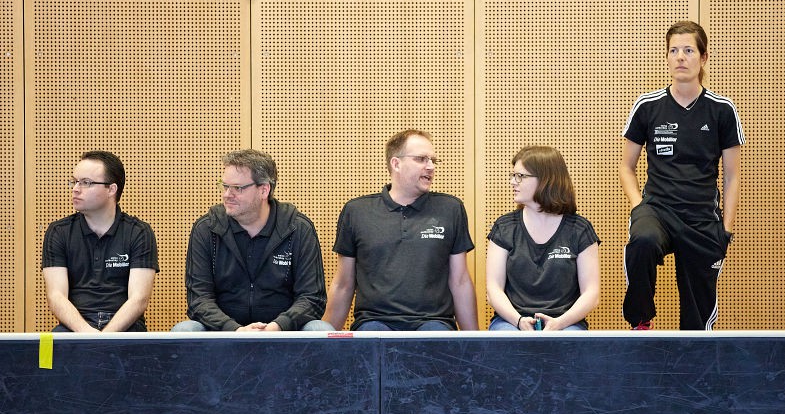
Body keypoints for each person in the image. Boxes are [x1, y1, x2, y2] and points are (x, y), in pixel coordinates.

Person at [620, 21, 744, 330]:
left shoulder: (722, 110)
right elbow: (626, 167)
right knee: (643, 242)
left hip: (701, 217)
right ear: (666, 58)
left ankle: (694, 354)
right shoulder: (647, 106)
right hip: (657, 210)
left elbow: (732, 177)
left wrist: (725, 230)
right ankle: (641, 320)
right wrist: (638, 206)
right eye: (673, 51)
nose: (680, 57)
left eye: (688, 50)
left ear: (703, 58)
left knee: (696, 324)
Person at [323, 129, 478, 331]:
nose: (431, 167)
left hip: (434, 322)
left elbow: (460, 281)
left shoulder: (451, 209)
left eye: (433, 160)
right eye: (421, 159)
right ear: (396, 163)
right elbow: (343, 284)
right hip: (374, 323)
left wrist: (475, 344)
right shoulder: (356, 211)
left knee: (436, 336)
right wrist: (323, 343)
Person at [174, 149, 332, 332]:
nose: (227, 194)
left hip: (283, 332)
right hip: (223, 332)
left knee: (320, 328)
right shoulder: (207, 229)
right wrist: (234, 329)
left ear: (264, 190)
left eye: (237, 188)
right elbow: (199, 300)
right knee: (185, 330)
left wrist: (279, 326)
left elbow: (312, 298)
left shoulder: (298, 228)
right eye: (225, 186)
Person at [486, 146, 600, 331]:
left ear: (546, 179)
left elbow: (591, 294)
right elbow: (494, 291)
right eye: (512, 175)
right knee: (506, 344)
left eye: (520, 176)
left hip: (566, 324)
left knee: (570, 347)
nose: (512, 182)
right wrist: (518, 321)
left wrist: (559, 323)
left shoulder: (579, 229)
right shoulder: (504, 227)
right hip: (511, 322)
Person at [42, 151, 159, 332]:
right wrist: (87, 333)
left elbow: (139, 299)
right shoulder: (58, 232)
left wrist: (105, 337)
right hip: (75, 327)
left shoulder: (139, 232)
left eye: (86, 183)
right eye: (74, 181)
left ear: (111, 189)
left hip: (125, 327)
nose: (75, 189)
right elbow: (56, 296)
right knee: (51, 353)